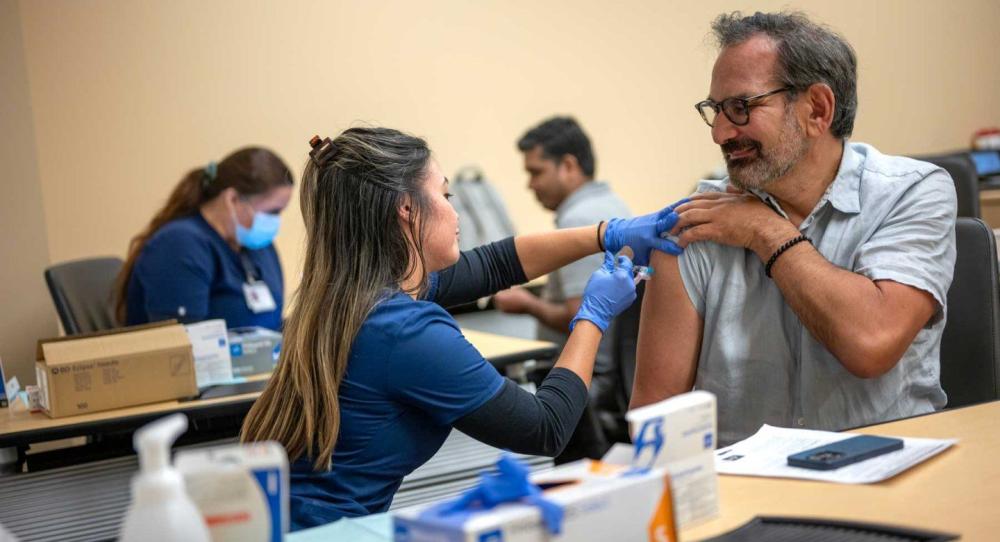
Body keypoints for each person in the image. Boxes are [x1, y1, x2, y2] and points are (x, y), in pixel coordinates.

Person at [239, 127, 684, 530]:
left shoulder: (348, 297)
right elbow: (546, 427)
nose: (457, 215)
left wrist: (607, 233)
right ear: (407, 210)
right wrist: (593, 315)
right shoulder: (405, 330)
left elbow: (494, 264)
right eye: (446, 197)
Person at [632, 11, 957, 446]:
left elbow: (871, 342)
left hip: (886, 477)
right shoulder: (699, 220)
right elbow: (656, 419)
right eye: (716, 110)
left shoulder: (913, 192)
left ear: (817, 110)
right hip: (746, 491)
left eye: (741, 108)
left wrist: (766, 232)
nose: (721, 133)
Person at [493, 117, 641, 437]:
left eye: (536, 172)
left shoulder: (580, 219)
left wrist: (526, 304)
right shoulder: (612, 204)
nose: (530, 184)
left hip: (585, 385)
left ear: (569, 166)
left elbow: (579, 314)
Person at [115, 147, 294, 330]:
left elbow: (273, 326)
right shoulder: (179, 245)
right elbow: (182, 345)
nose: (275, 221)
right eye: (272, 212)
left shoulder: (260, 248)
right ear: (232, 199)